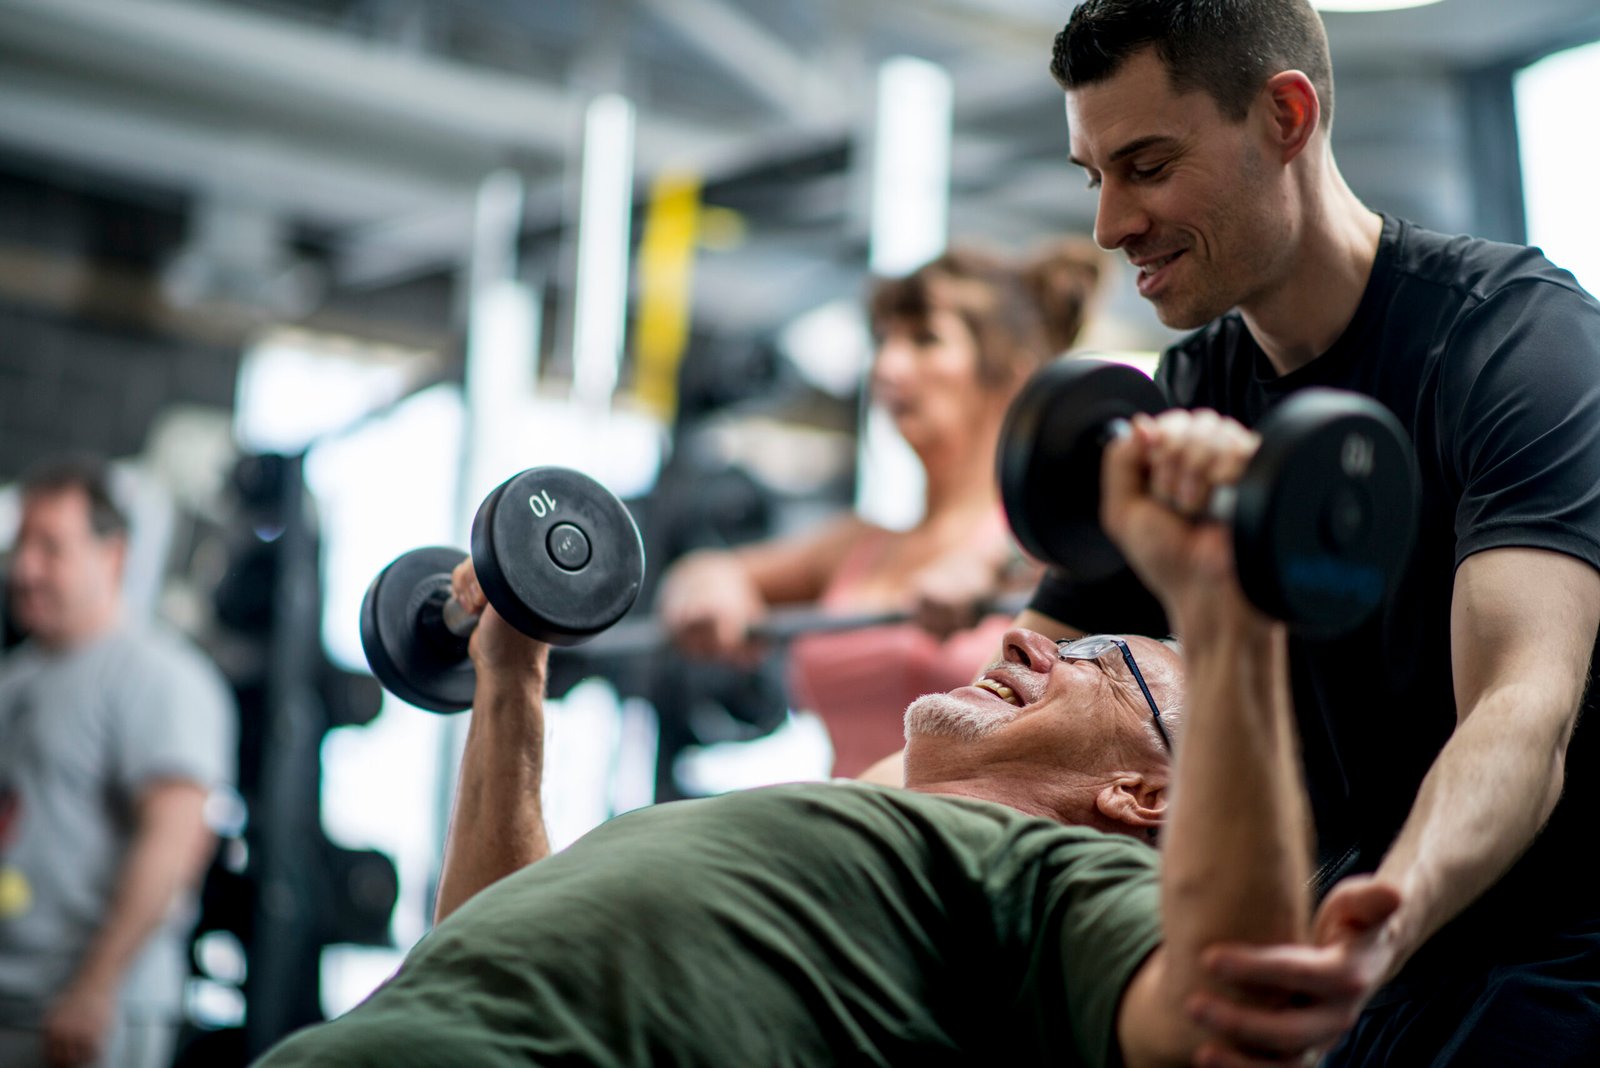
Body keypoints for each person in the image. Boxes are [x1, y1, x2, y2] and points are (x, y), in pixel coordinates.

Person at [251, 414, 1381, 1068]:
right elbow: (485, 928)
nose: (1032, 645)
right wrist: (510, 674)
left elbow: (1215, 1015)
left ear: (1141, 797)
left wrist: (1225, 614)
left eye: (1096, 660)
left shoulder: (1044, 884)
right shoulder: (836, 824)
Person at [1002, 2, 1600, 1063]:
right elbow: (1016, 684)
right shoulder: (1193, 393)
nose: (1108, 226)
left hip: (1543, 959)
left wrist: (1386, 916)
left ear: (1284, 116)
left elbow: (1523, 709)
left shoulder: (1514, 343)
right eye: (1093, 177)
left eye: (1145, 165)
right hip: (1340, 958)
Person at [658, 241, 1104, 777]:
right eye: (884, 340)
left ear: (1011, 372)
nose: (887, 367)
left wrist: (994, 568)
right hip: (843, 840)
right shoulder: (860, 545)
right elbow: (708, 569)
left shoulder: (1045, 542)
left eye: (925, 340)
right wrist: (708, 586)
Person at [0, 458, 236, 1068]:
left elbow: (176, 840)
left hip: (86, 1020)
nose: (25, 568)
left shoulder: (158, 676)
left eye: (50, 548)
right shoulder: (18, 676)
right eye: (20, 543)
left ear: (114, 556)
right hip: (14, 1003)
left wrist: (95, 986)